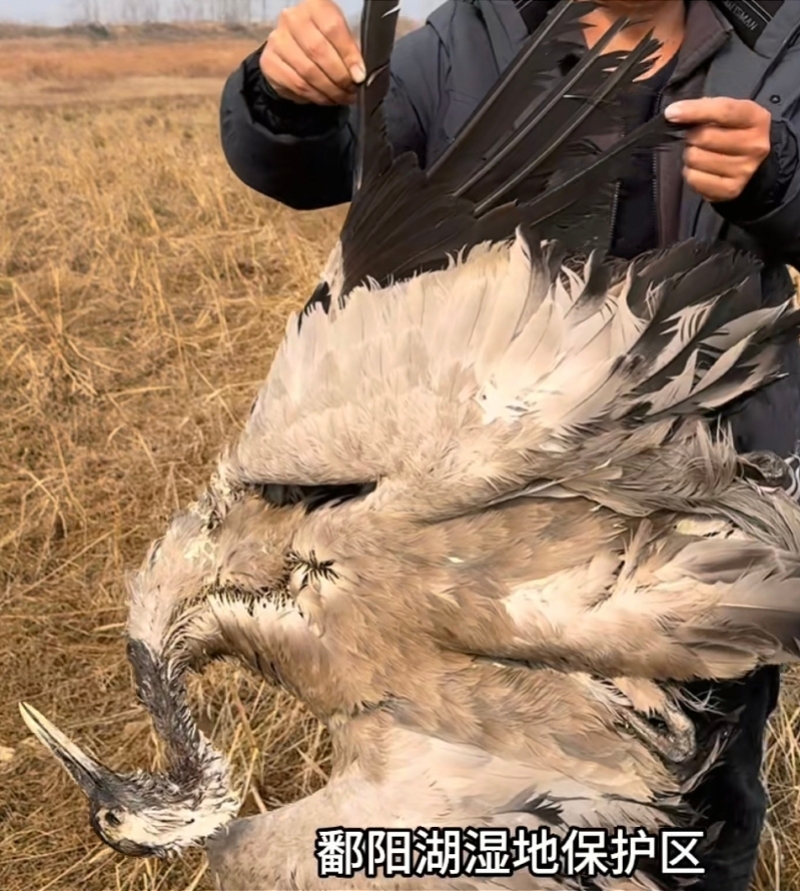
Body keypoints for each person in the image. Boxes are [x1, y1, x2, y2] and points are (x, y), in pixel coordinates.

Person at [218, 1, 800, 888]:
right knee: (484, 802)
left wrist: (780, 179)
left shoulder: (779, 36)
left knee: (695, 802)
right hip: (485, 521)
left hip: (691, 515)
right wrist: (282, 97)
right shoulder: (475, 34)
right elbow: (330, 157)